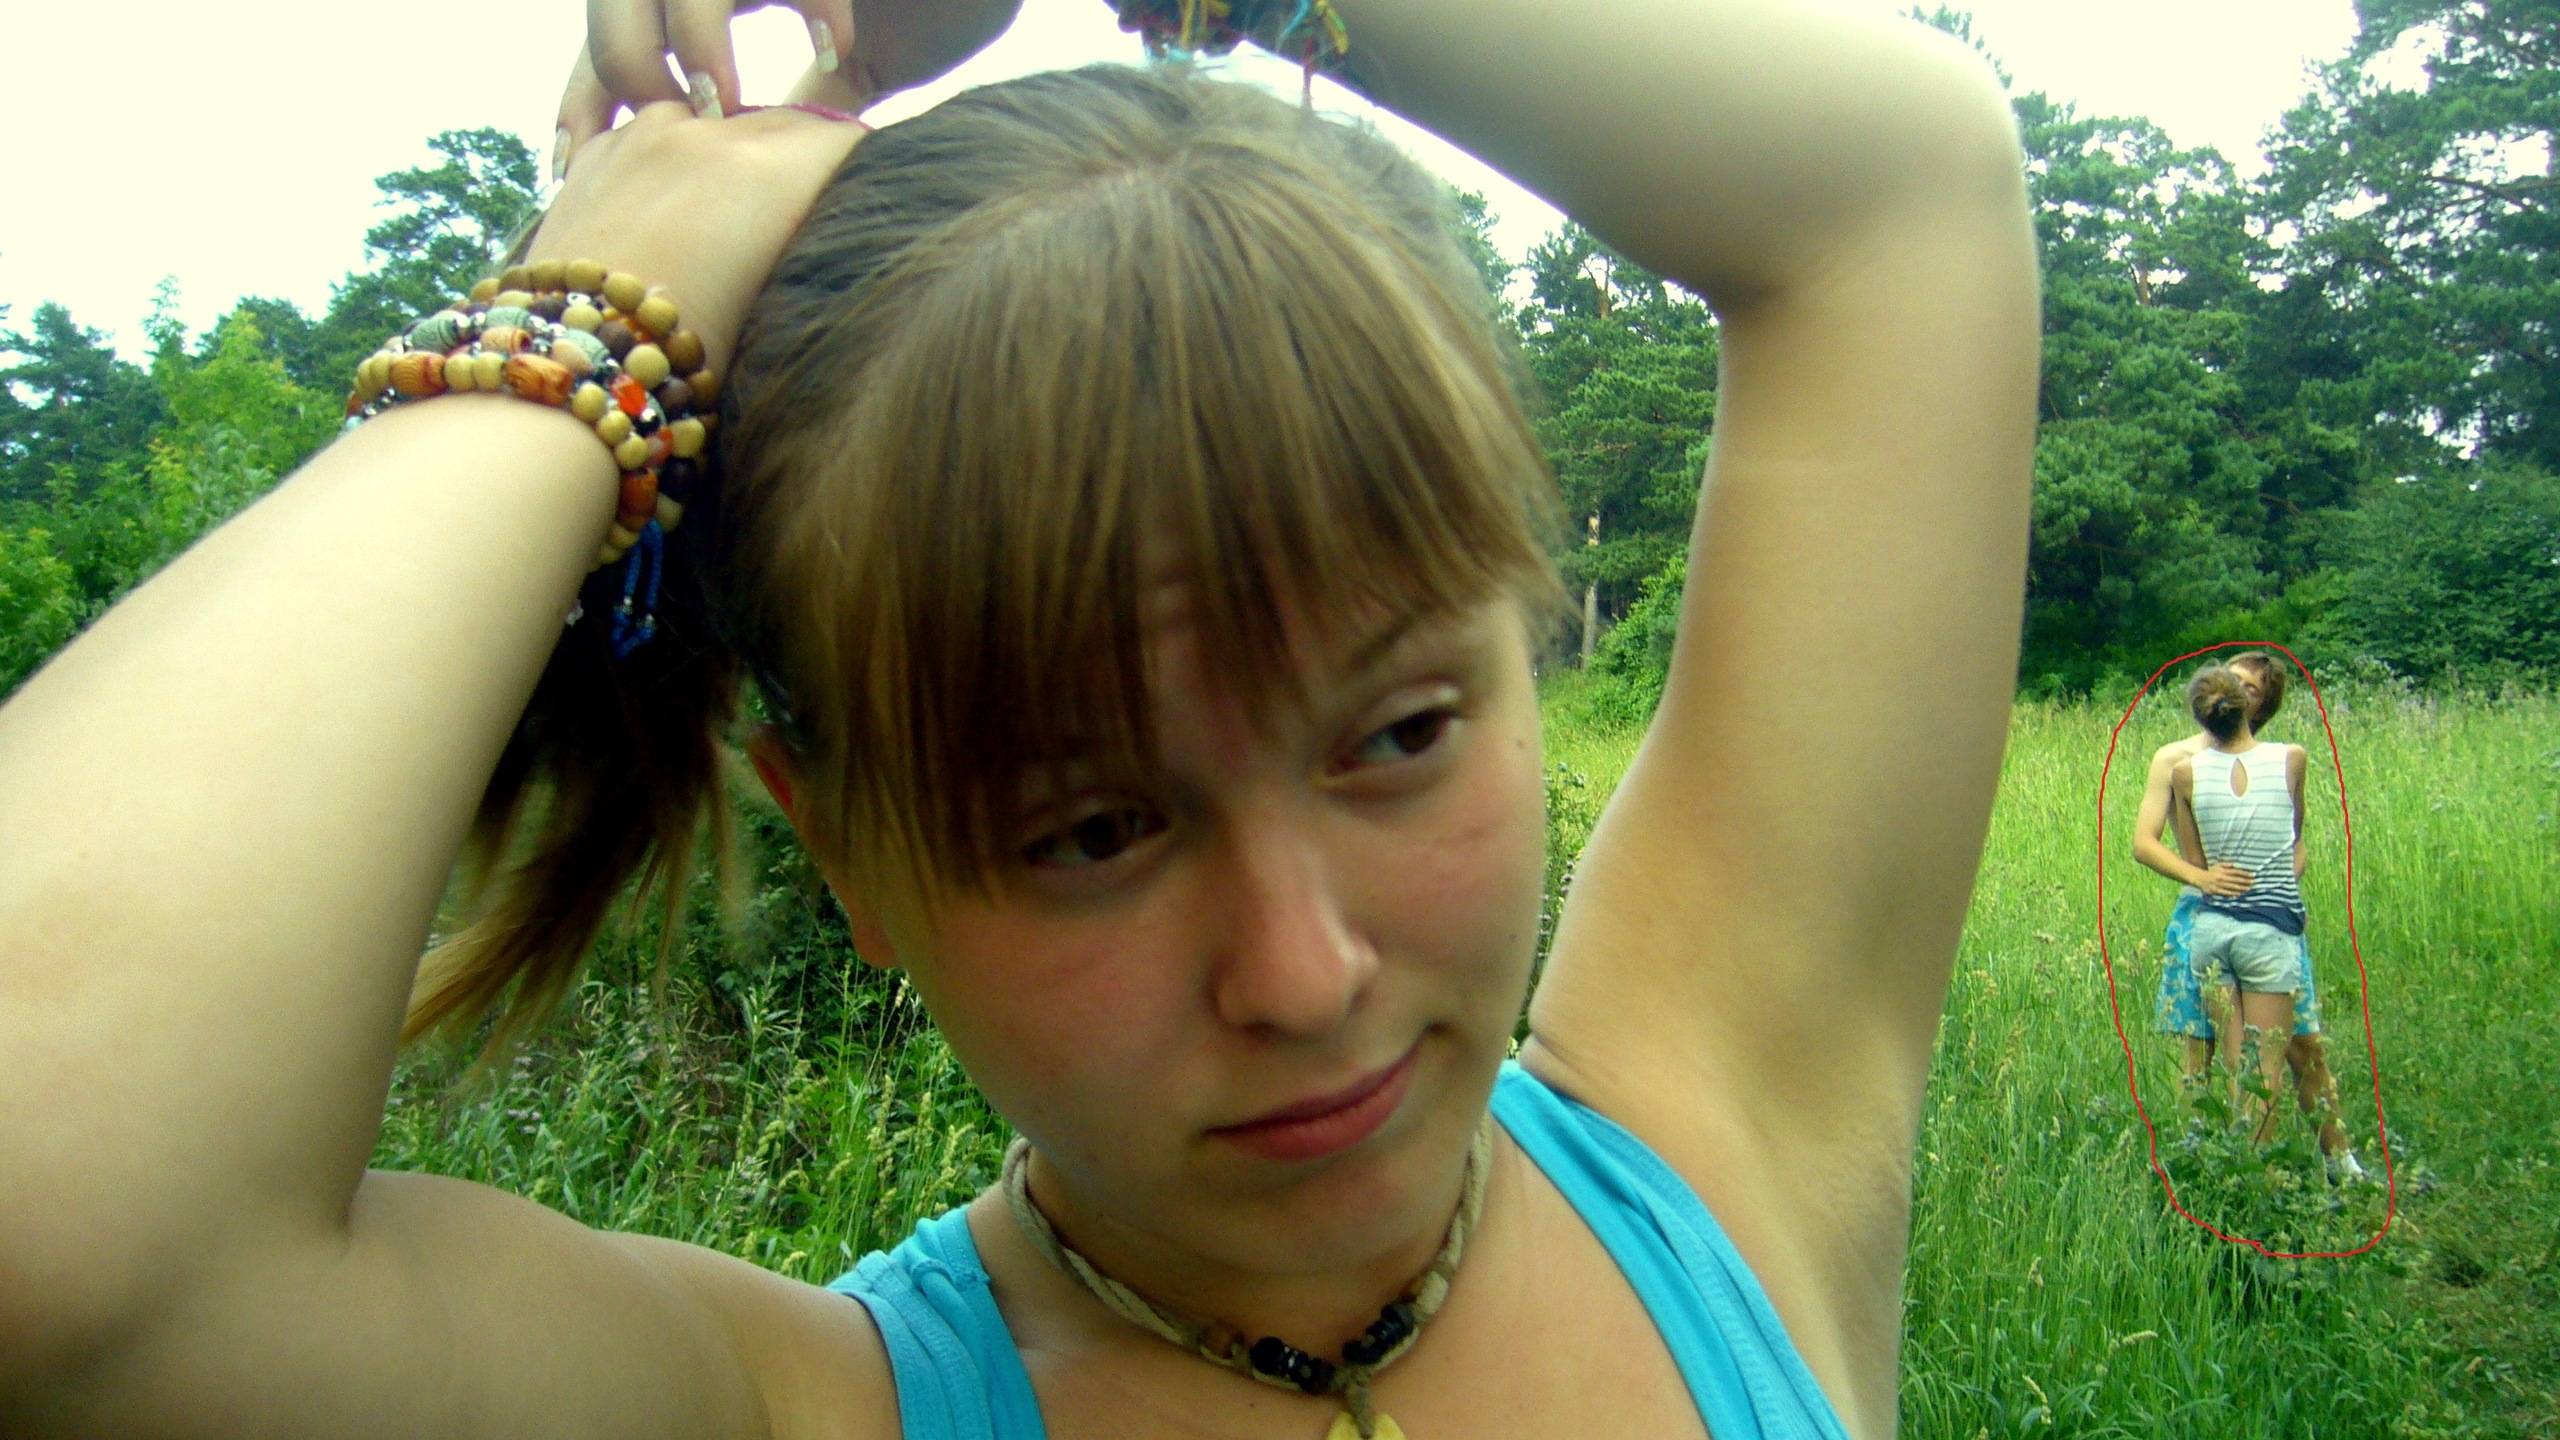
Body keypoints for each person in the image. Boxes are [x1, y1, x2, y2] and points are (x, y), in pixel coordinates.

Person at [0, 2, 2039, 1438]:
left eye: (1400, 733)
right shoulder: (798, 1412)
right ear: (846, 851)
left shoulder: (1726, 1143)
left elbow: (1901, 195)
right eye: (1090, 832)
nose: (1304, 973)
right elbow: (57, 1226)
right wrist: (616, 283)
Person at [2131, 654, 2362, 1176]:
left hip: (2268, 916)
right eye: (2232, 676)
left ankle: (2341, 1164)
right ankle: (2201, 1164)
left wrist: (2277, 880)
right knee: (2200, 1047)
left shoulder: (2277, 762)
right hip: (2204, 914)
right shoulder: (2175, 761)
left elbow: (2295, 844)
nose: (2235, 687)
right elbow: (2145, 843)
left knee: (2303, 1044)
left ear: (2261, 706)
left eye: (2250, 687)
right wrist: (2203, 879)